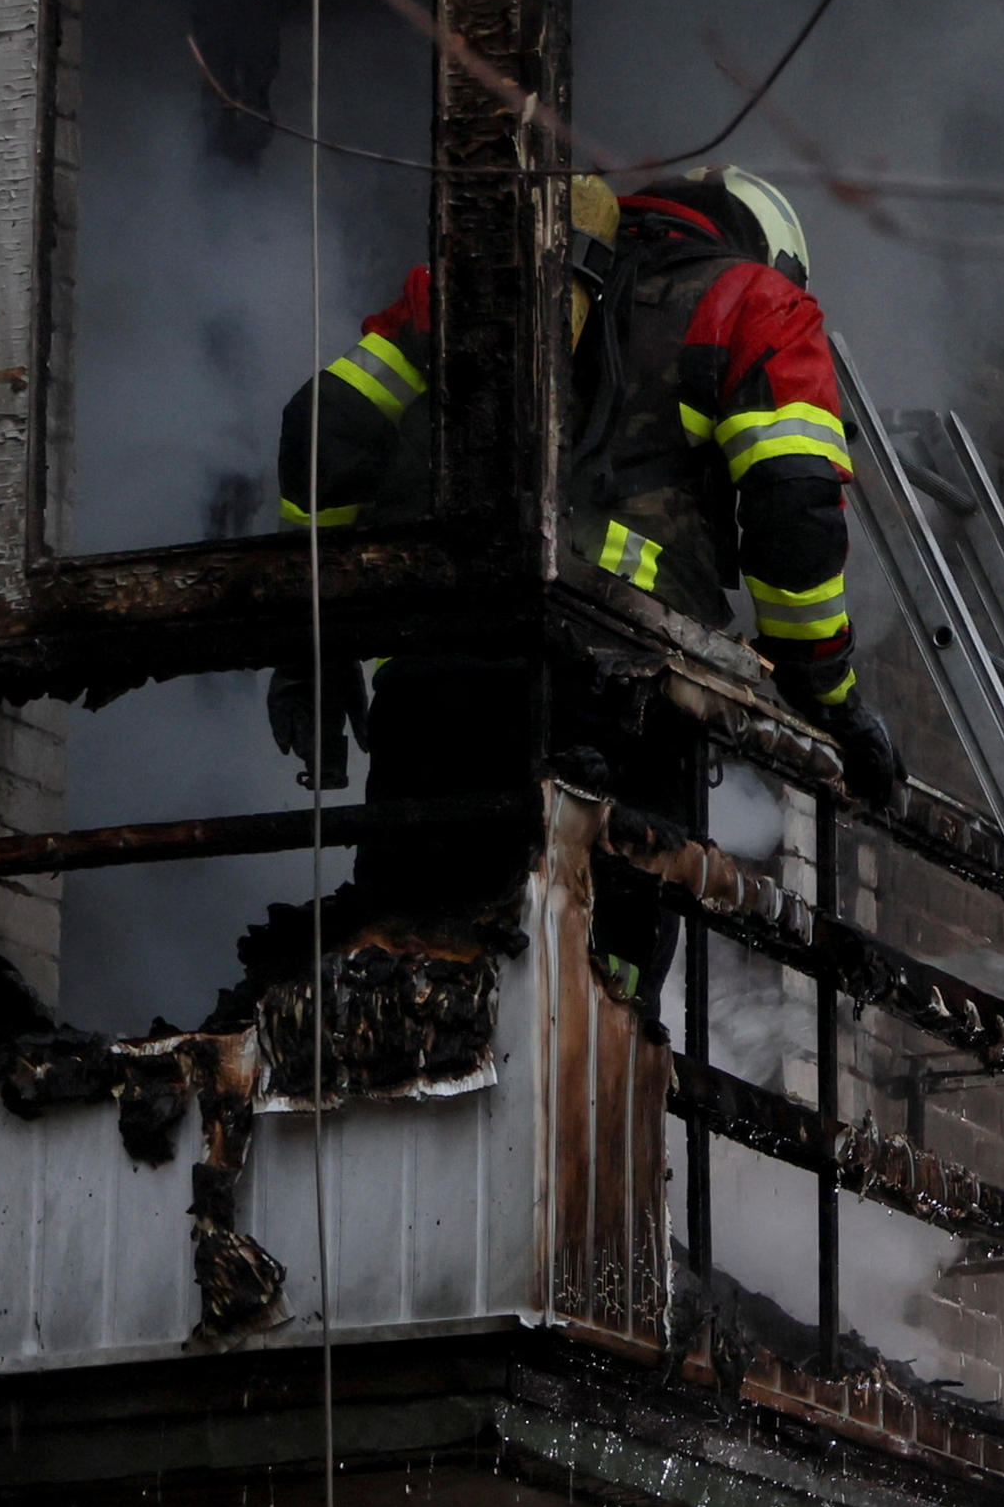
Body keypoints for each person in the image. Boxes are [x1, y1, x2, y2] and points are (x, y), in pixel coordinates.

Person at [262, 171, 900, 955]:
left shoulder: (488, 284)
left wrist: (313, 647)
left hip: (431, 688)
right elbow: (794, 506)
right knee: (604, 993)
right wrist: (826, 691)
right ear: (770, 252)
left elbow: (325, 429)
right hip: (621, 703)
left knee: (407, 969)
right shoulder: (754, 301)